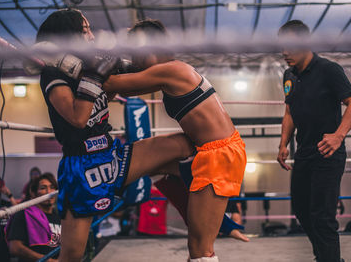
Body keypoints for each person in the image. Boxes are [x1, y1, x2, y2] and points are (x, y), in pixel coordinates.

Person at [34, 9, 194, 262]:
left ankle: (202, 231)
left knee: (183, 145)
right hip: (82, 167)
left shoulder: (89, 65)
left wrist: (149, 53)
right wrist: (94, 75)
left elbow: (140, 78)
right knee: (72, 255)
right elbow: (77, 118)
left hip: (112, 155)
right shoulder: (54, 74)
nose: (91, 35)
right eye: (84, 30)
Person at [104, 19, 247, 261]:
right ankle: (218, 221)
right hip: (208, 149)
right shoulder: (174, 69)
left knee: (200, 248)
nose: (135, 59)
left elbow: (116, 86)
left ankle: (216, 224)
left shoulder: (172, 70)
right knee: (156, 168)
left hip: (219, 155)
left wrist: (92, 60)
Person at [276, 20, 351, 262]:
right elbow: (290, 111)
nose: (284, 53)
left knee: (323, 217)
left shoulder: (329, 69)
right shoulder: (288, 75)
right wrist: (283, 143)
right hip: (303, 152)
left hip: (328, 154)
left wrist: (338, 135)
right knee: (302, 211)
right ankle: (327, 258)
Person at [6, 173, 60, 262]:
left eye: (52, 187)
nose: (49, 192)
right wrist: (47, 260)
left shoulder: (59, 217)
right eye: (43, 188)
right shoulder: (24, 214)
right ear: (33, 193)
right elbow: (15, 248)